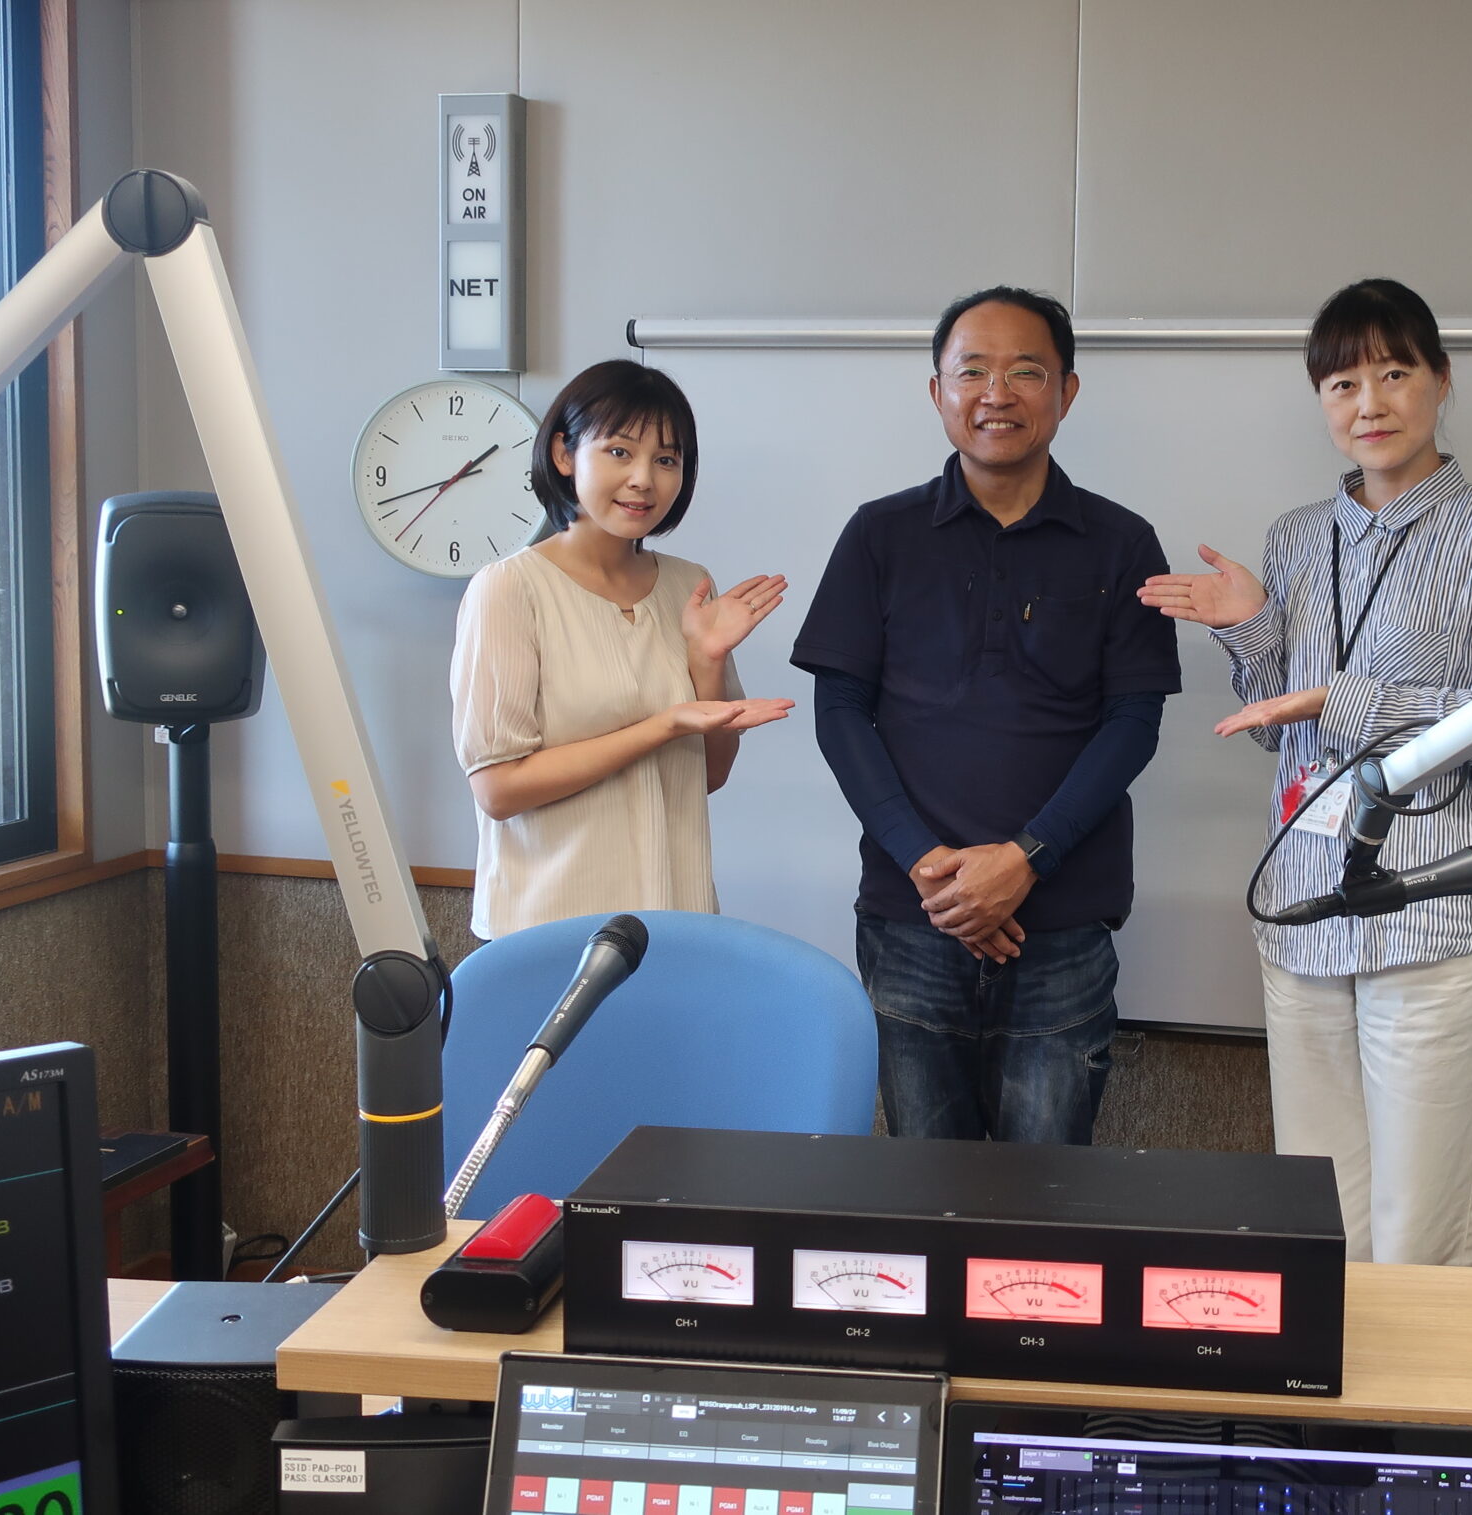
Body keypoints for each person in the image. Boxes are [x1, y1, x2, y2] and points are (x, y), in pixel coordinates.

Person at [1139, 278, 1472, 1264]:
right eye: (1340, 384)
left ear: (1441, 380)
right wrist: (1251, 628)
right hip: (1303, 909)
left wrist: (1346, 699)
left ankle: (1418, 1380)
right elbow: (1276, 729)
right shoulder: (1296, 536)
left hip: (1432, 915)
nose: (1368, 403)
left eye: (1393, 374)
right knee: (1318, 1224)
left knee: (1420, 1235)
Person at [793, 286, 1183, 1143]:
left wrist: (1025, 859)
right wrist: (927, 863)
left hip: (1062, 925)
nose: (995, 393)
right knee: (927, 1188)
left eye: (1025, 371)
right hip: (911, 917)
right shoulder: (879, 535)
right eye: (971, 371)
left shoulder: (1122, 542)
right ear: (937, 391)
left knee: (1046, 1195)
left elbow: (1133, 722)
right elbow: (840, 711)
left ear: (1066, 392)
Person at [451, 359, 794, 941]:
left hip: (675, 922)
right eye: (619, 452)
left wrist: (707, 659)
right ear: (564, 454)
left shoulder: (690, 585)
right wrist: (662, 725)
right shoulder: (509, 588)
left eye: (666, 460)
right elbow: (499, 790)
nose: (643, 479)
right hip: (551, 931)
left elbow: (707, 775)